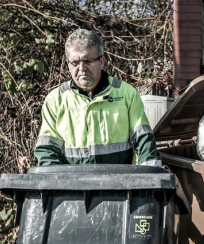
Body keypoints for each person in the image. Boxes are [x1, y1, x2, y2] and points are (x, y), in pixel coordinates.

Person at [34, 29, 161, 166]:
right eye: (75, 63)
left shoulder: (126, 94)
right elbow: (47, 152)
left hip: (120, 184)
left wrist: (151, 181)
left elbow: (144, 142)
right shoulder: (55, 101)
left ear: (102, 61)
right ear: (67, 65)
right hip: (73, 185)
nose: (82, 68)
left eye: (88, 61)